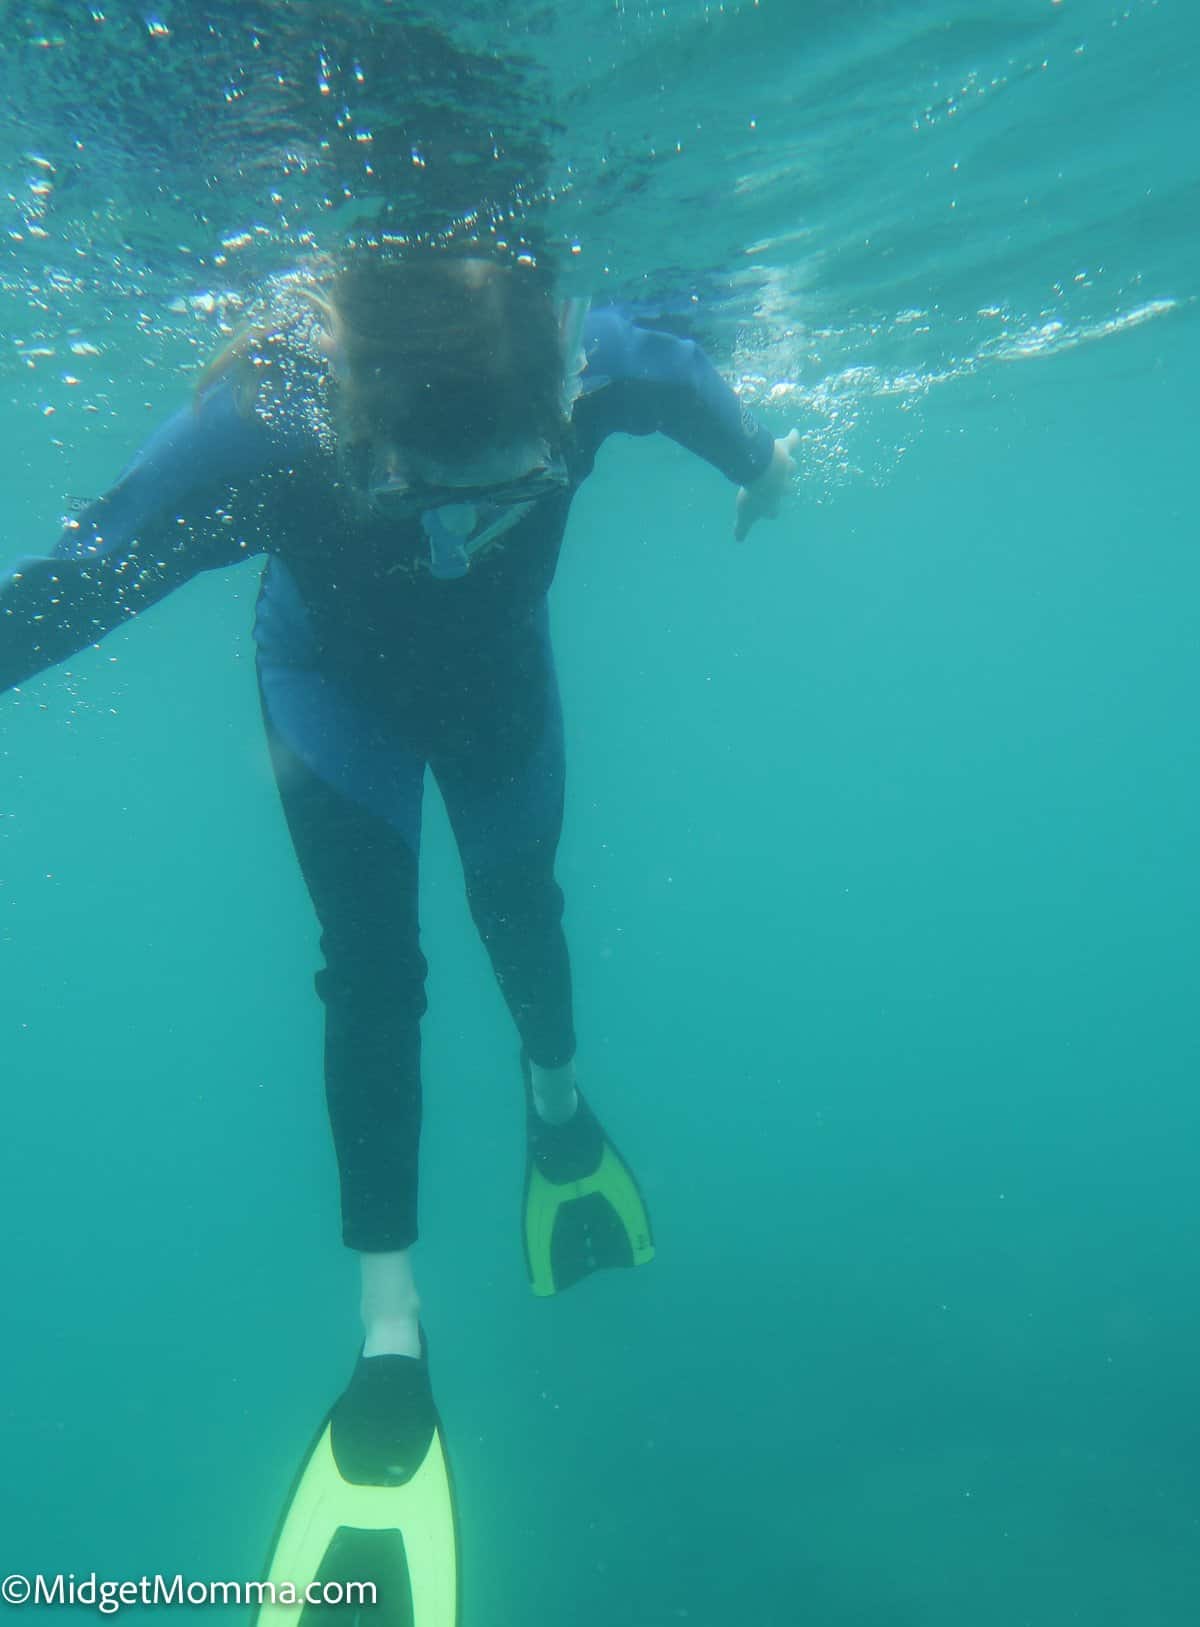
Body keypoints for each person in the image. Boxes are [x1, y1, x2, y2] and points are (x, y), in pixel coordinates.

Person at [1, 251, 797, 1624]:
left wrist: (759, 465)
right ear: (353, 429)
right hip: (336, 696)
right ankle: (388, 1338)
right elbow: (89, 573)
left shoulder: (597, 360)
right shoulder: (264, 423)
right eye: (422, 493)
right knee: (373, 972)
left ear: (554, 409)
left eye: (502, 489)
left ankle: (559, 1112)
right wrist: (752, 466)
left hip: (498, 689)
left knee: (519, 902)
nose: (454, 523)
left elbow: (690, 393)